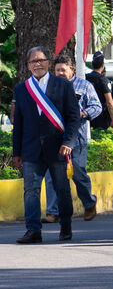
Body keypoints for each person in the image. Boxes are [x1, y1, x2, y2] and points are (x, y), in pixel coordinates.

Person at [11, 46, 79, 243]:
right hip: (31, 149)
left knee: (62, 189)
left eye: (41, 60)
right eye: (33, 61)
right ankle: (33, 230)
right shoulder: (22, 89)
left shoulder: (63, 85)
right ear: (28, 66)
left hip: (58, 148)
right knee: (31, 191)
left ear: (49, 62)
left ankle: (65, 225)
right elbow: (18, 124)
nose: (37, 64)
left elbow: (73, 118)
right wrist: (17, 152)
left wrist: (68, 142)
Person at [43, 55, 101, 224]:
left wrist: (83, 114)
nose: (60, 73)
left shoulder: (85, 86)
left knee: (78, 174)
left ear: (72, 70)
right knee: (52, 175)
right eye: (57, 70)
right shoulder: (48, 86)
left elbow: (97, 106)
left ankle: (89, 203)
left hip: (77, 139)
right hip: (54, 139)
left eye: (63, 70)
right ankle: (53, 212)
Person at [85, 50, 113, 131]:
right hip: (101, 118)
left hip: (87, 116)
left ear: (92, 65)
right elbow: (110, 102)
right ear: (103, 65)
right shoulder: (104, 80)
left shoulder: (85, 78)